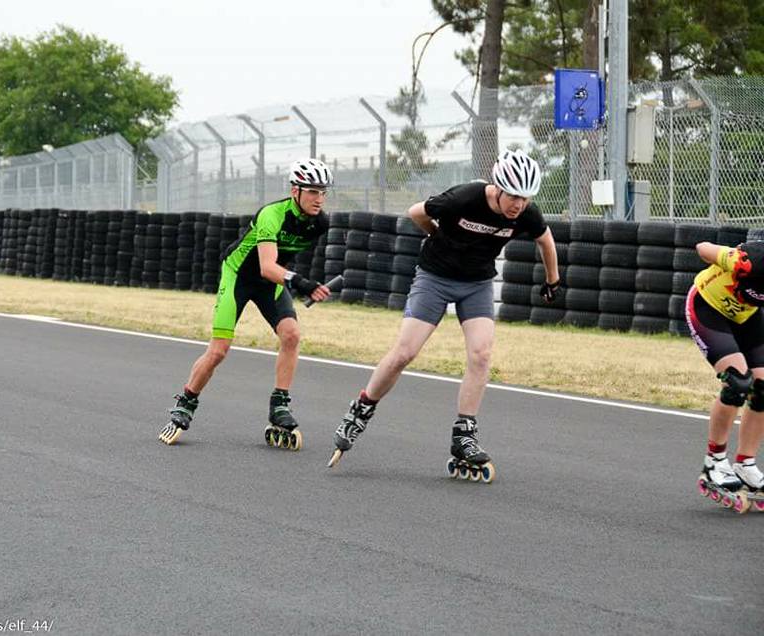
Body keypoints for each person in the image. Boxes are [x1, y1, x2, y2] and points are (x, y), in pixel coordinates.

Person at [327, 149, 561, 481]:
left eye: (525, 199)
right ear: (497, 187)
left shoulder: (525, 213)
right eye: (513, 197)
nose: (518, 206)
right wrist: (436, 235)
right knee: (405, 352)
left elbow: (546, 241)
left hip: (477, 283)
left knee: (481, 355)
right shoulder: (463, 199)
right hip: (435, 277)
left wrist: (554, 280)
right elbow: (415, 212)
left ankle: (464, 434)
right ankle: (361, 408)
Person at [158, 159, 333, 450]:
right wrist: (301, 282)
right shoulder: (271, 215)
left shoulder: (320, 223)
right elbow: (266, 266)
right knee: (219, 350)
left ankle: (279, 404)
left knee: (291, 334)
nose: (319, 199)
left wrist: (305, 286)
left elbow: (284, 262)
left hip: (271, 282)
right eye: (313, 191)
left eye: (323, 192)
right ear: (295, 191)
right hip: (239, 275)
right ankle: (186, 402)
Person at [688, 240, 764, 512]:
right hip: (708, 308)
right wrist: (729, 258)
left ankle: (745, 463)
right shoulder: (744, 260)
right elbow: (701, 247)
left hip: (746, 317)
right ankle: (714, 461)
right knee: (738, 380)